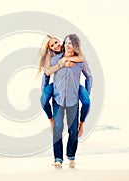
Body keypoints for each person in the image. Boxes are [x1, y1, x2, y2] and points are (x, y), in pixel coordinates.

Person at [49, 34, 92, 167]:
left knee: (73, 131)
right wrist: (45, 91)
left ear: (75, 46)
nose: (67, 46)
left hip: (73, 100)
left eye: (70, 44)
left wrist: (86, 93)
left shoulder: (81, 62)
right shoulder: (55, 59)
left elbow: (89, 77)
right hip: (57, 99)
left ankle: (71, 156)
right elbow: (47, 73)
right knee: (57, 130)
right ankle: (58, 159)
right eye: (66, 43)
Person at [38, 35, 92, 137]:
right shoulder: (50, 56)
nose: (55, 46)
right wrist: (44, 91)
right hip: (57, 84)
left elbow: (82, 58)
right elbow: (47, 73)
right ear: (49, 48)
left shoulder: (68, 48)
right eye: (52, 45)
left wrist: (66, 59)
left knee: (86, 102)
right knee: (43, 99)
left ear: (60, 41)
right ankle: (51, 121)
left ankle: (81, 124)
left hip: (73, 84)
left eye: (56, 42)